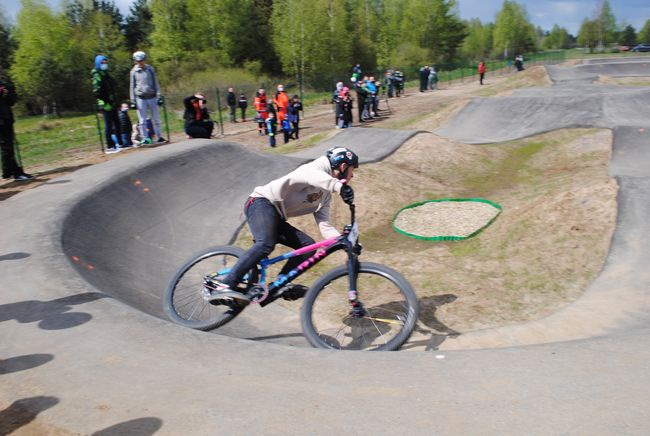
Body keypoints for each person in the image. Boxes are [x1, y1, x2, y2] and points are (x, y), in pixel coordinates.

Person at [202, 147, 358, 303]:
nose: (353, 175)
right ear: (343, 167)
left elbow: (325, 226)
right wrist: (340, 187)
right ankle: (225, 285)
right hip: (260, 202)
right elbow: (314, 176)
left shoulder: (325, 196)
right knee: (265, 245)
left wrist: (346, 242)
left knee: (308, 246)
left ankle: (278, 284)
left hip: (275, 216)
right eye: (352, 170)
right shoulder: (314, 168)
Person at [0, 69, 32, 181]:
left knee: (8, 146)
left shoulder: (5, 85)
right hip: (2, 119)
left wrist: (7, 93)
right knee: (6, 147)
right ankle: (14, 173)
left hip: (6, 118)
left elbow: (12, 102)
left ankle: (10, 172)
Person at [129, 51, 166, 145]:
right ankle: (144, 139)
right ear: (135, 61)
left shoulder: (150, 69)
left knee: (156, 119)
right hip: (140, 98)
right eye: (138, 61)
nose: (141, 62)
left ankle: (159, 137)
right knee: (142, 120)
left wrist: (159, 95)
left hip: (152, 96)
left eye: (142, 60)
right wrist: (132, 100)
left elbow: (156, 83)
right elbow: (132, 86)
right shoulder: (133, 72)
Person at [92, 55, 125, 154]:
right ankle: (110, 146)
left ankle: (120, 143)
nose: (105, 64)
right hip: (105, 103)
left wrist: (114, 100)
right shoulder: (97, 75)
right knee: (108, 125)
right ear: (98, 64)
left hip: (112, 102)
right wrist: (105, 101)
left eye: (106, 63)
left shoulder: (107, 74)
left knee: (117, 123)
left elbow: (112, 88)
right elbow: (97, 92)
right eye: (102, 63)